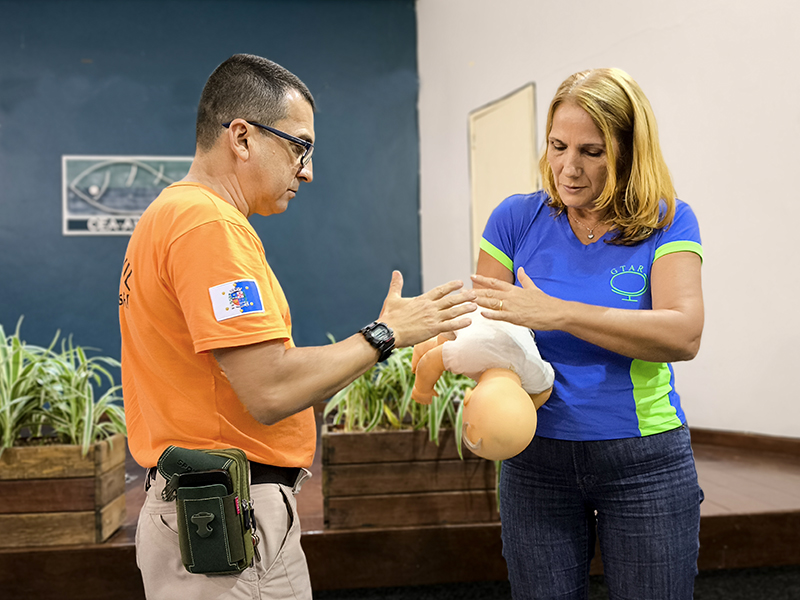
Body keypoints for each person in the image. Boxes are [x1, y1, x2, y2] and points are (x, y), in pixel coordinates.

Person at [118, 53, 476, 600]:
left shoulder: (167, 215)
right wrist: (384, 336)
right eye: (299, 146)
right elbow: (270, 388)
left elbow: (266, 382)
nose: (306, 170)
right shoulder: (210, 226)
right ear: (241, 137)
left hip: (198, 510)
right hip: (230, 519)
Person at [471, 68, 705, 600]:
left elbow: (683, 333)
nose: (568, 168)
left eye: (591, 152)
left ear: (627, 152)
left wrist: (558, 313)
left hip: (644, 460)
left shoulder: (669, 221)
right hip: (535, 462)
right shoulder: (514, 219)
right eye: (558, 146)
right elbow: (487, 331)